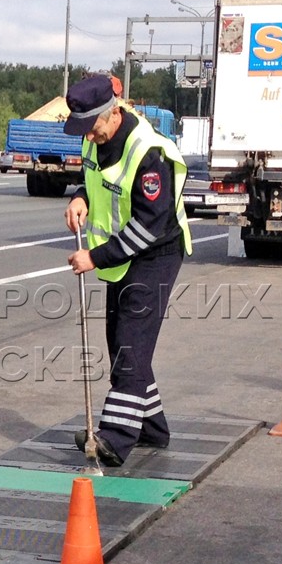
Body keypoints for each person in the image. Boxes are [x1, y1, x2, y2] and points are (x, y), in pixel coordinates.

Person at [62, 74, 191, 467]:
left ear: (114, 113)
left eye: (94, 126)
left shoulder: (148, 153)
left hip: (156, 252)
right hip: (123, 255)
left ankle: (115, 438)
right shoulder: (92, 138)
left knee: (132, 348)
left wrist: (95, 257)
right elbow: (91, 179)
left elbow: (150, 226)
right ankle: (153, 427)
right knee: (121, 343)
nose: (90, 135)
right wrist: (80, 199)